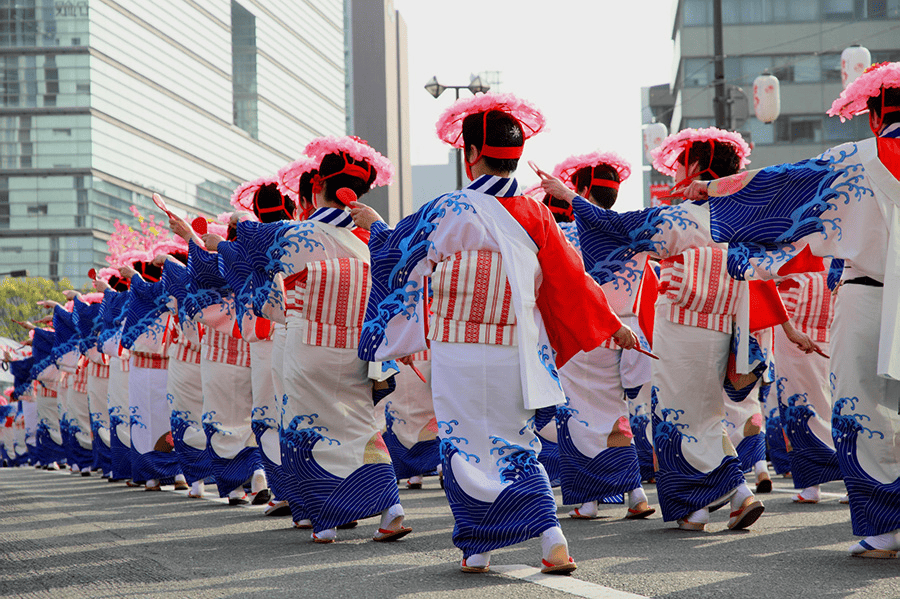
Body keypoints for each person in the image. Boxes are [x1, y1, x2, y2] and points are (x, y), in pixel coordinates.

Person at [352, 93, 636, 573]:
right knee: (516, 442)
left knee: (463, 446)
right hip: (516, 347)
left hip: (457, 348)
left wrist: (378, 227)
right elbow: (571, 280)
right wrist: (611, 325)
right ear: (516, 156)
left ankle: (479, 549)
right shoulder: (538, 214)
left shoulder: (446, 209)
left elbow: (393, 260)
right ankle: (551, 539)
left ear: (469, 156)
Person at [541, 127, 814, 532]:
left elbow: (615, 226)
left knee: (673, 417)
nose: (677, 174)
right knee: (706, 415)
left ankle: (697, 507)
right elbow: (766, 273)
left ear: (701, 169)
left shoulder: (678, 217)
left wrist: (569, 198)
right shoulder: (742, 221)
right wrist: (788, 327)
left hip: (680, 324)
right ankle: (736, 495)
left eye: (683, 165)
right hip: (722, 327)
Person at [679, 61, 900, 557]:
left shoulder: (851, 158)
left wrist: (711, 188)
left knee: (864, 408)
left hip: (869, 295)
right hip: (865, 295)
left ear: (872, 116)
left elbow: (777, 185)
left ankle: (885, 530)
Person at [212, 136, 407, 542]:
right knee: (360, 428)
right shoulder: (372, 239)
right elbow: (400, 268)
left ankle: (325, 522)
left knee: (307, 427)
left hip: (305, 343)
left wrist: (218, 244)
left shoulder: (288, 234)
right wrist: (377, 224)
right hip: (357, 346)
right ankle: (391, 510)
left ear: (316, 187)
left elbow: (243, 261)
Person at [540, 152, 656, 520]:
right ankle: (635, 493)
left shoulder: (569, 233)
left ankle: (589, 502)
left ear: (584, 189)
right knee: (614, 413)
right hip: (628, 330)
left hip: (586, 329)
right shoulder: (632, 230)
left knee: (579, 414)